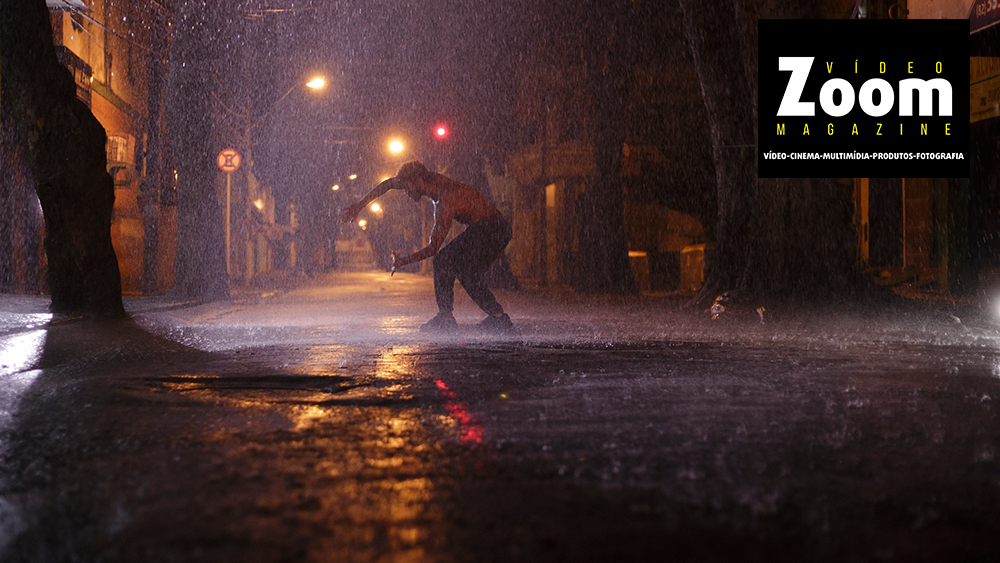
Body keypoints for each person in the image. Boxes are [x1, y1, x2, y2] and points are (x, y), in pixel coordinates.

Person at [340, 161, 515, 334]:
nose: (407, 193)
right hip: (491, 228)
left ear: (418, 180)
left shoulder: (446, 200)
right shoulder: (428, 180)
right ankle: (497, 318)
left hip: (492, 229)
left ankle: (448, 318)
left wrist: (404, 261)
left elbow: (433, 249)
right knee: (464, 271)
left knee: (444, 260)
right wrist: (359, 206)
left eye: (408, 188)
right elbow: (387, 184)